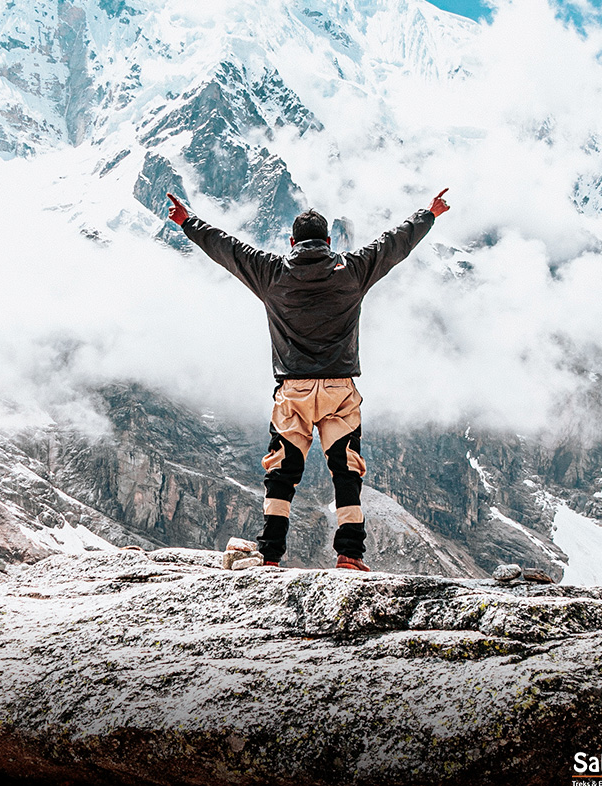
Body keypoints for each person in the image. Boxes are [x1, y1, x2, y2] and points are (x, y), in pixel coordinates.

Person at [166, 189, 451, 571]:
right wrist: (428, 214)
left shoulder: (270, 272)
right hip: (339, 390)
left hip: (293, 390)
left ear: (292, 242)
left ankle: (269, 555)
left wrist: (188, 222)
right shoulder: (353, 269)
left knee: (281, 473)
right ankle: (349, 554)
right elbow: (394, 244)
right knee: (346, 471)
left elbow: (226, 248)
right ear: (329, 241)